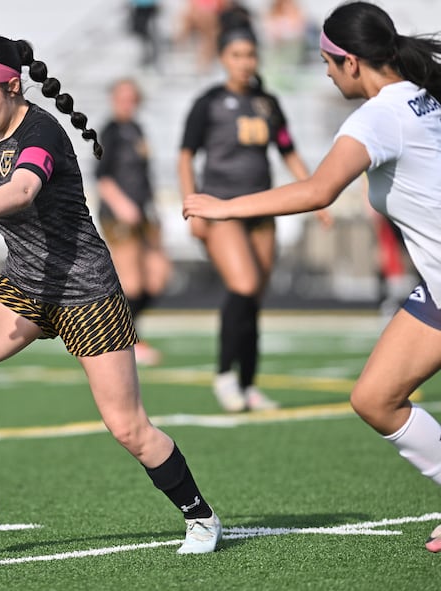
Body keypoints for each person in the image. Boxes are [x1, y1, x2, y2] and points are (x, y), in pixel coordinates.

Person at [0, 33, 221, 554]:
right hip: (26, 285)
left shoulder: (42, 132)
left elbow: (24, 188)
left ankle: (202, 517)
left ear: (12, 86)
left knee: (128, 428)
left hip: (85, 293)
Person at [183, 1, 441, 552]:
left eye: (327, 60)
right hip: (438, 292)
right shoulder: (421, 96)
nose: (323, 70)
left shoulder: (379, 116)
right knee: (375, 398)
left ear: (351, 62)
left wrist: (223, 208)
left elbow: (317, 190)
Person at [178, 21, 324, 413]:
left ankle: (248, 383)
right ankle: (224, 375)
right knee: (243, 285)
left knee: (254, 299)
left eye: (250, 54)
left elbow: (287, 150)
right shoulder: (209, 101)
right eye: (236, 55)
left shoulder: (268, 103)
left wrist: (317, 192)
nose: (245, 62)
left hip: (263, 209)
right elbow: (186, 155)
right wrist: (192, 206)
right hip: (222, 210)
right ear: (223, 58)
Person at [96, 78, 172, 366]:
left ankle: (124, 331)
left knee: (158, 275)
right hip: (120, 215)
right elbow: (103, 178)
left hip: (145, 213)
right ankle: (126, 339)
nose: (128, 103)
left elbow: (145, 176)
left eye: (132, 97)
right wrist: (122, 205)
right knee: (133, 281)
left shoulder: (137, 129)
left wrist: (154, 210)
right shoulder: (111, 131)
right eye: (123, 97)